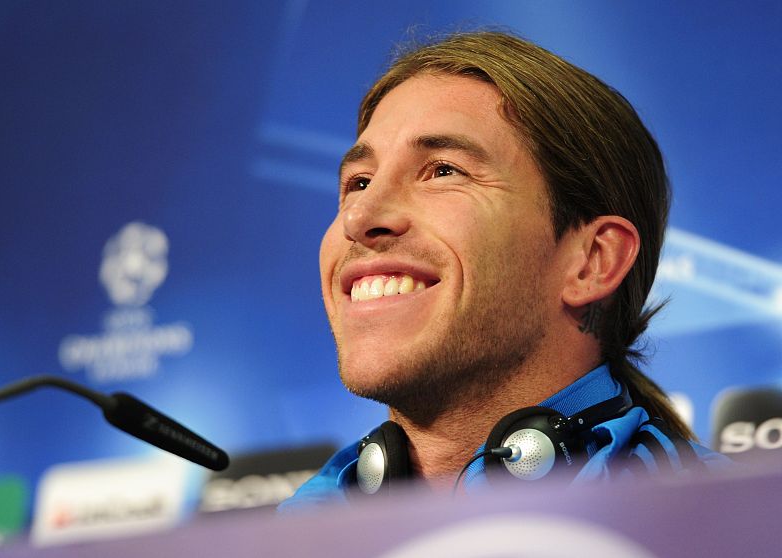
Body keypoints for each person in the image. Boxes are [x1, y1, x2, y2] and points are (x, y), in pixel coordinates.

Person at [279, 30, 729, 512]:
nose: (359, 217)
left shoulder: (734, 523)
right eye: (359, 182)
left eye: (444, 171)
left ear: (593, 261)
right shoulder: (286, 536)